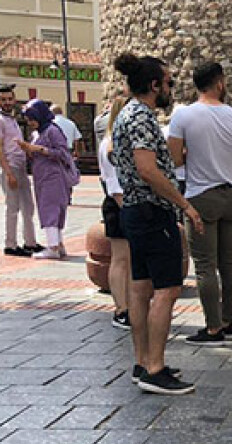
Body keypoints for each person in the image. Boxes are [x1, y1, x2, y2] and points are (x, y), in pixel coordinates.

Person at [111, 52, 204, 396]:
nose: (170, 89)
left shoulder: (127, 113)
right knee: (167, 290)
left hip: (136, 211)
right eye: (168, 82)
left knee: (140, 289)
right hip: (152, 212)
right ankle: (155, 368)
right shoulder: (142, 117)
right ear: (154, 85)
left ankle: (143, 362)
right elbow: (148, 169)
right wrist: (185, 205)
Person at [167, 60, 232, 345]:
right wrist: (229, 161)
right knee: (228, 263)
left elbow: (175, 159)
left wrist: (196, 156)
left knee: (205, 265)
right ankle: (229, 322)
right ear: (220, 83)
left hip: (200, 195)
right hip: (231, 194)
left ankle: (213, 328)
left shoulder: (184, 116)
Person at [17, 99, 75, 260]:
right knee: (49, 209)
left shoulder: (52, 131)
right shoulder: (37, 133)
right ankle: (58, 244)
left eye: (32, 119)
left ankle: (53, 247)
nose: (30, 123)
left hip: (53, 177)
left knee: (50, 210)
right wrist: (29, 150)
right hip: (42, 177)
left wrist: (39, 149)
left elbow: (63, 153)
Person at [0, 86, 41, 257]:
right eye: (3, 99)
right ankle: (10, 245)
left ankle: (30, 242)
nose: (7, 102)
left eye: (10, 99)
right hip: (9, 166)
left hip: (20, 166)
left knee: (28, 206)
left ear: (14, 99)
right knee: (13, 207)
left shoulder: (12, 119)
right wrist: (9, 173)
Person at [99, 96, 131, 330]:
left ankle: (127, 305)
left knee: (127, 260)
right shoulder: (112, 143)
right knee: (120, 259)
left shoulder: (113, 141)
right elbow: (115, 184)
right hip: (120, 203)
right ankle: (121, 308)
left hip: (123, 202)